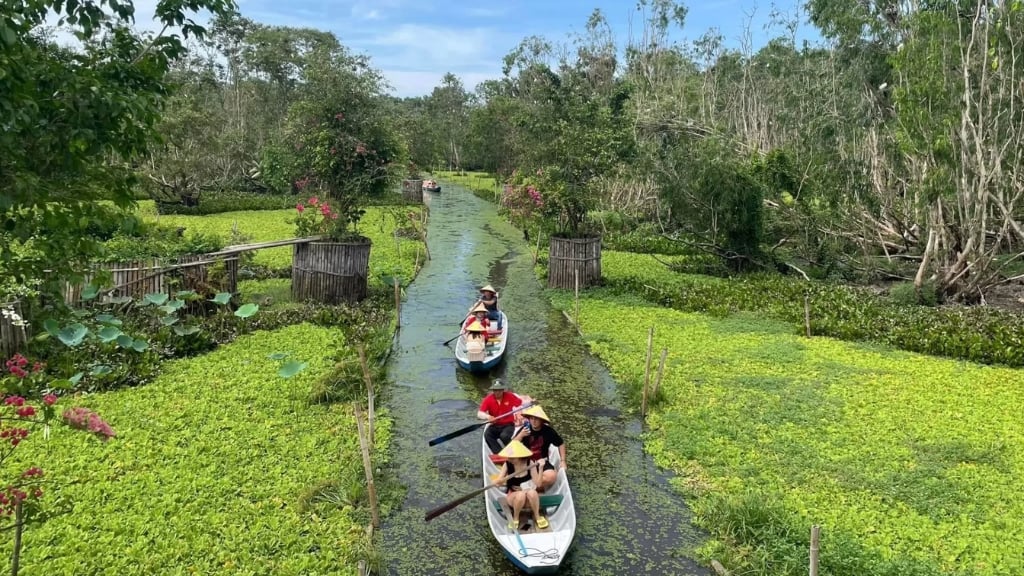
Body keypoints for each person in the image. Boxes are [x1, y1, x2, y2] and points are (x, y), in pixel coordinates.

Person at [494, 440, 549, 531]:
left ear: (520, 457)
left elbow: (538, 484)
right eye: (509, 457)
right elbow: (498, 482)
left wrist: (541, 468)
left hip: (529, 500)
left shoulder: (530, 463)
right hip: (513, 498)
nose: (509, 459)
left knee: (532, 492)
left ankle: (537, 516)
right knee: (520, 494)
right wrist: (501, 480)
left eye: (512, 458)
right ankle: (515, 517)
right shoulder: (507, 465)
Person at [512, 405, 565, 492]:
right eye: (531, 418)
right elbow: (512, 446)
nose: (533, 421)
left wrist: (563, 461)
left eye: (536, 419)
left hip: (542, 462)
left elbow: (561, 443)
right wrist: (521, 435)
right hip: (525, 461)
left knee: (552, 476)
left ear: (541, 420)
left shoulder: (548, 431)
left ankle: (528, 486)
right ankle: (535, 486)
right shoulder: (525, 429)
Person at [477, 379, 523, 453]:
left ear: (503, 390)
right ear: (493, 390)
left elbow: (520, 404)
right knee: (487, 435)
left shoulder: (509, 396)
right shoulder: (488, 399)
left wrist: (519, 414)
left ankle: (512, 450)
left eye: (499, 390)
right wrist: (488, 417)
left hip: (508, 425)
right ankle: (499, 453)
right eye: (495, 390)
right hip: (495, 424)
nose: (497, 392)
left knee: (504, 436)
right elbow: (479, 413)